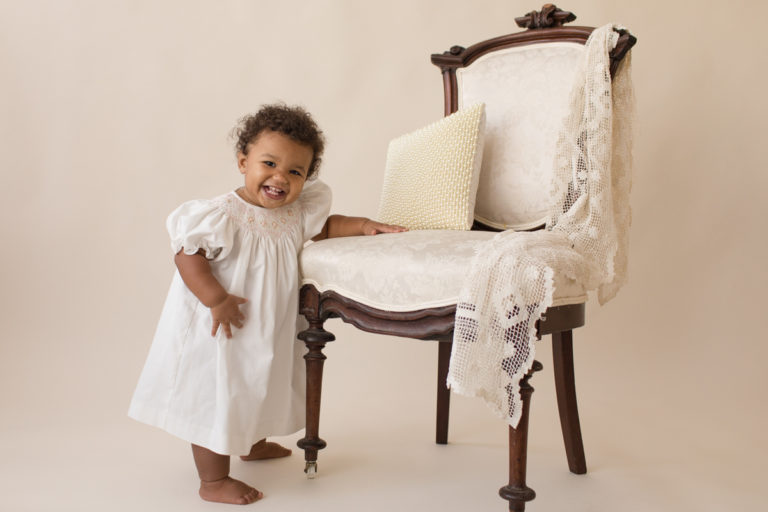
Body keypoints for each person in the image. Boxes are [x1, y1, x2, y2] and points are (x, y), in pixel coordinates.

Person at [128, 104, 405, 504]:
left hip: (264, 328)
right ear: (244, 162)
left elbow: (325, 227)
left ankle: (252, 443)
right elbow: (188, 255)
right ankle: (212, 481)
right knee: (218, 395)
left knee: (256, 384)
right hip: (221, 327)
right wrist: (216, 298)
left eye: (295, 172)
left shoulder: (295, 213)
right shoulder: (221, 215)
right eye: (269, 163)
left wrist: (361, 225)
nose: (280, 177)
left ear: (306, 178)